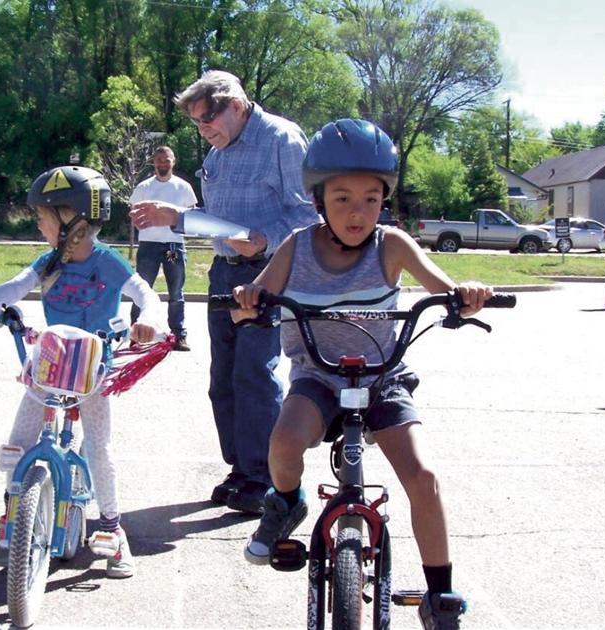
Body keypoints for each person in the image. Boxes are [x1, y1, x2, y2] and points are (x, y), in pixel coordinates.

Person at [230, 119, 492, 629]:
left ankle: (440, 597)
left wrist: (467, 295)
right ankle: (285, 503)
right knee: (283, 444)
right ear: (319, 200)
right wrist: (247, 302)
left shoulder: (391, 245)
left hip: (382, 378)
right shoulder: (296, 247)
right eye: (344, 198)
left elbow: (445, 286)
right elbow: (255, 297)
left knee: (424, 477)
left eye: (371, 199)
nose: (358, 212)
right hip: (318, 377)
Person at [129, 70, 319, 514]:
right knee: (225, 380)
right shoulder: (217, 152)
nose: (203, 130)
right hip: (224, 274)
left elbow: (310, 216)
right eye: (196, 123)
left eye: (207, 120)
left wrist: (263, 238)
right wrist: (175, 216)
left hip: (268, 272)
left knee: (255, 374)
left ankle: (268, 478)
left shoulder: (282, 139)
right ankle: (241, 468)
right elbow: (215, 221)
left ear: (235, 104)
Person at [0, 165, 166, 579]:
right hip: (49, 365)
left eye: (43, 216)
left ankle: (112, 529)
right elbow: (16, 285)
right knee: (18, 443)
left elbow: (144, 291)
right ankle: (13, 519)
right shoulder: (48, 262)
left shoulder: (106, 262)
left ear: (70, 221)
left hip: (93, 369)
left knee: (98, 448)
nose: (38, 223)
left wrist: (150, 317)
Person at [129, 145, 198, 351]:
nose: (162, 164)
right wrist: (137, 221)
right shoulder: (144, 187)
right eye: (159, 160)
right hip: (148, 245)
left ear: (173, 161)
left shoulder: (183, 187)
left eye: (166, 160)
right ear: (154, 162)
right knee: (141, 290)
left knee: (176, 292)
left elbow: (192, 214)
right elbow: (132, 211)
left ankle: (178, 335)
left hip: (174, 245)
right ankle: (137, 334)